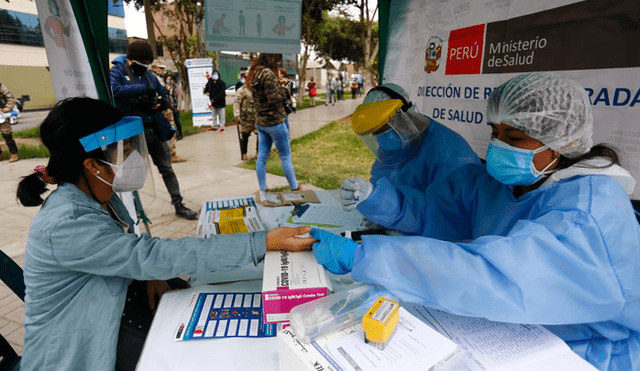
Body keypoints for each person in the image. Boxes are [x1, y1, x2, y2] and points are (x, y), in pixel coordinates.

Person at [310, 72, 640, 371]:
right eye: (495, 133)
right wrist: (382, 201)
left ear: (564, 143)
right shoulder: (498, 181)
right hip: (515, 330)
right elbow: (437, 212)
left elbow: (497, 275)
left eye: (514, 138)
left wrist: (365, 256)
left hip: (591, 351)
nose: (497, 147)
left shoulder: (591, 213)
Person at [15, 97, 315, 371]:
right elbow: (149, 255)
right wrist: (261, 241)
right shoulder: (66, 223)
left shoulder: (98, 192)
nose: (131, 156)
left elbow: (128, 253)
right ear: (93, 165)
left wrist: (148, 274)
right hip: (73, 349)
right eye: (123, 150)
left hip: (108, 311)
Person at [339, 83, 480, 219]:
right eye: (375, 132)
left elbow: (447, 216)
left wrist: (384, 209)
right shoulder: (397, 142)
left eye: (384, 128)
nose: (380, 137)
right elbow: (381, 177)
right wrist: (370, 198)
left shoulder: (448, 152)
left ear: (406, 114)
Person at [110, 40, 197, 220]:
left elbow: (164, 98)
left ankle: (179, 204)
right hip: (132, 132)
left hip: (154, 129)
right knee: (132, 173)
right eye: (144, 63)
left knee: (167, 169)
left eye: (149, 63)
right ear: (131, 60)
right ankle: (133, 209)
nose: (147, 66)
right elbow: (114, 90)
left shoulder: (150, 76)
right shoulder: (117, 72)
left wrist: (158, 103)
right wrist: (143, 90)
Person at [247, 53, 300, 191]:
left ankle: (263, 188)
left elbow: (263, 96)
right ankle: (295, 186)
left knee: (262, 158)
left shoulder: (256, 73)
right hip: (274, 122)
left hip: (261, 123)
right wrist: (282, 89)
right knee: (285, 157)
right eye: (278, 61)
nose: (279, 63)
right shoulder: (268, 74)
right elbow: (275, 100)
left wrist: (277, 85)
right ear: (272, 58)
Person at [233, 83, 258, 161]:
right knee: (245, 135)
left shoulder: (257, 89)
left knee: (260, 134)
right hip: (246, 117)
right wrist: (237, 116)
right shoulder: (242, 90)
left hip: (256, 116)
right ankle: (244, 153)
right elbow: (237, 103)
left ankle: (258, 152)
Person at [0, 83, 19, 162]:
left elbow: (10, 98)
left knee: (7, 134)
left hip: (1, 114)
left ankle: (14, 154)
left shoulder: (1, 87)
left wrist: (7, 109)